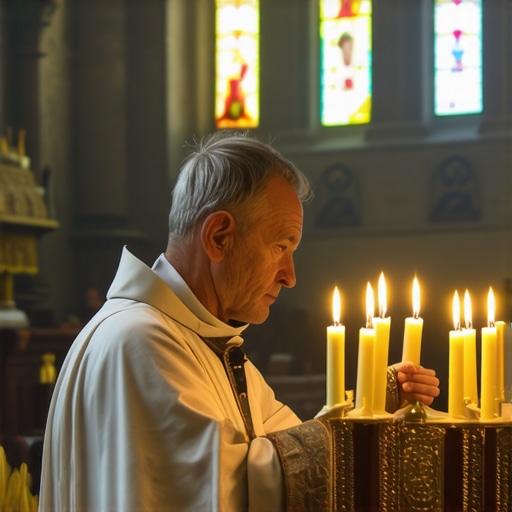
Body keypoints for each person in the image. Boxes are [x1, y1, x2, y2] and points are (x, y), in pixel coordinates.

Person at [39, 132, 440, 511]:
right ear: (218, 237)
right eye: (280, 246)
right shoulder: (142, 340)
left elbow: (282, 453)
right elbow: (227, 490)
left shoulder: (207, 341)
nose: (290, 275)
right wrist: (356, 432)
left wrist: (371, 406)